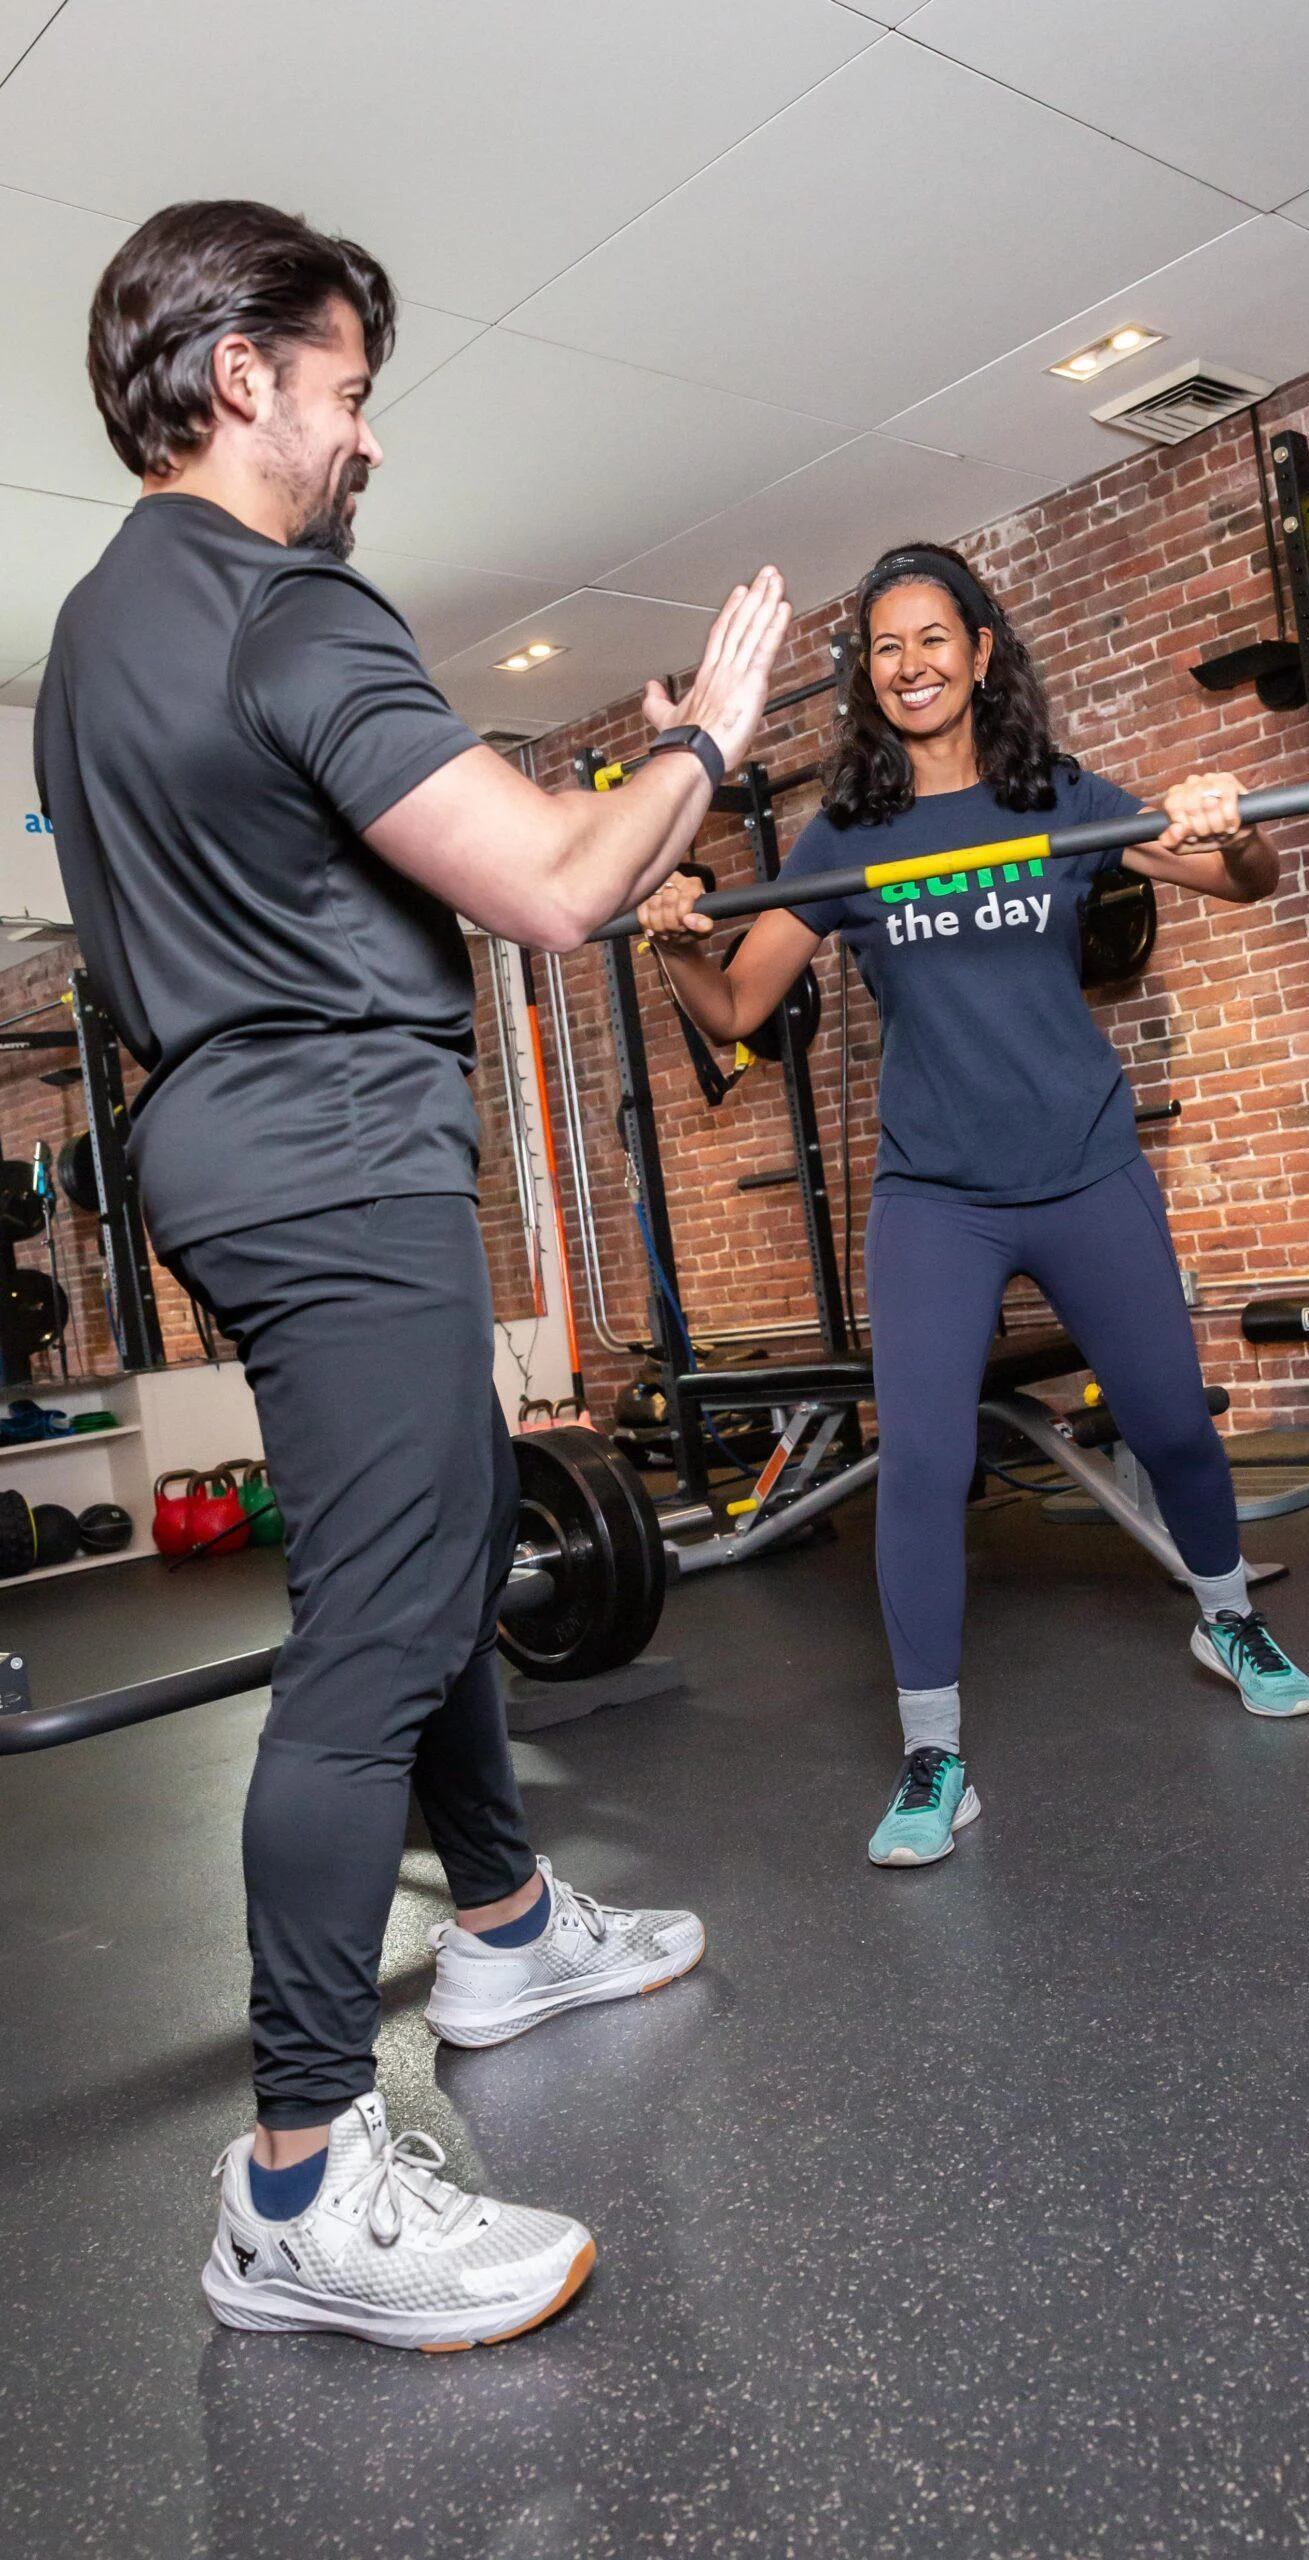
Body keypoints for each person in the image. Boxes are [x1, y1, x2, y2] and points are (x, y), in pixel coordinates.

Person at [35, 199, 792, 2350]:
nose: (370, 437)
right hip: (342, 1151)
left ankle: (508, 1915)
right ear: (240, 371)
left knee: (437, 1522)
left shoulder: (101, 631)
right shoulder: (291, 610)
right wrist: (707, 739)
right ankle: (292, 2171)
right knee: (375, 1625)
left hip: (229, 1144)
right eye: (349, 388)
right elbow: (560, 886)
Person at [637, 541, 1309, 1870]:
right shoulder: (846, 840)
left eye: (931, 638)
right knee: (926, 1466)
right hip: (936, 1194)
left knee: (1173, 1421)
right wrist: (676, 946)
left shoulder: (1053, 796)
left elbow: (1243, 885)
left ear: (981, 649)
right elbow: (732, 1008)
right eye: (885, 647)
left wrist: (1229, 827)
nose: (910, 665)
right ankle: (932, 1755)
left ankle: (1224, 1612)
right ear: (868, 676)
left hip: (1082, 1163)